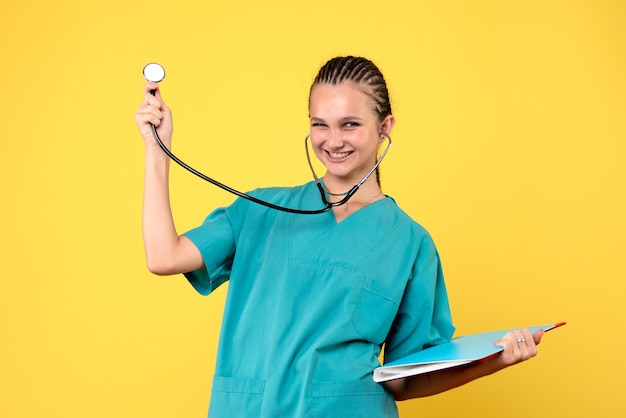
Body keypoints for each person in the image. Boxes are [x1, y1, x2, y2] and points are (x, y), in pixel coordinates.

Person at [135, 56, 544, 417]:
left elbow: (404, 378)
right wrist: (158, 148)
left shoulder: (410, 243)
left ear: (385, 127)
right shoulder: (260, 211)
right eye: (320, 125)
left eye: (350, 124)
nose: (333, 141)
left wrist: (496, 360)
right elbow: (163, 256)